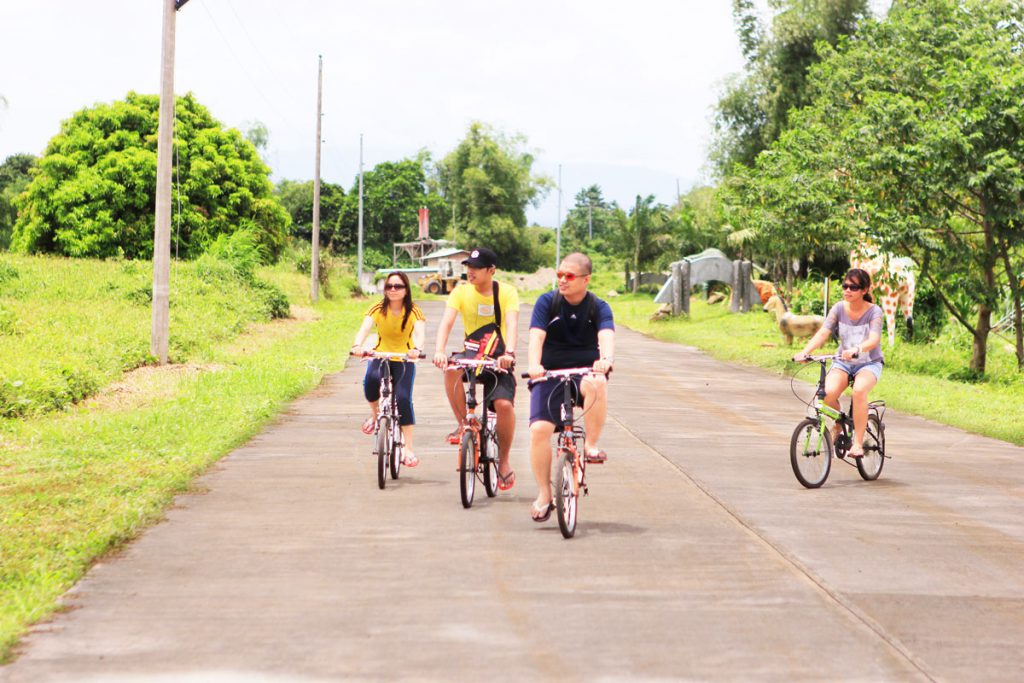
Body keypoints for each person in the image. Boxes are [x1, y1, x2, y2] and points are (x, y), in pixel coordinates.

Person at [526, 252, 615, 522]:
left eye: (570, 276)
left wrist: (606, 360)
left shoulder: (598, 307)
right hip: (549, 373)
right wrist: (534, 365)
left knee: (597, 382)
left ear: (586, 279)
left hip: (584, 372)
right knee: (539, 431)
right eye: (559, 275)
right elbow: (536, 338)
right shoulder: (547, 302)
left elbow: (607, 337)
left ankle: (590, 445)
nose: (563, 280)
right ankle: (544, 493)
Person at [432, 247, 519, 491]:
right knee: (450, 369)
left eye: (476, 268)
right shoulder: (460, 292)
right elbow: (446, 322)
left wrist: (509, 353)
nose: (470, 271)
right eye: (468, 266)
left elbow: (512, 324)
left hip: (498, 357)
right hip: (472, 353)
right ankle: (463, 424)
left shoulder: (506, 292)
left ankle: (504, 461)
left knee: (503, 405)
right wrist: (440, 351)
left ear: (491, 270)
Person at [794, 267, 884, 458]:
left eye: (853, 287)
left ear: (864, 290)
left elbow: (874, 339)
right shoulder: (838, 308)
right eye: (845, 286)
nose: (847, 290)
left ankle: (858, 443)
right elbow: (823, 333)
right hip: (843, 363)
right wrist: (805, 352)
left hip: (868, 363)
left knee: (859, 391)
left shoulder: (874, 311)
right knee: (826, 394)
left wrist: (857, 349)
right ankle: (839, 423)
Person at [351, 271, 426, 467]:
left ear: (406, 289)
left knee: (402, 399)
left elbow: (420, 332)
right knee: (370, 383)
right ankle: (376, 417)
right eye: (389, 286)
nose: (393, 290)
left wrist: (417, 349)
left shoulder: (413, 311)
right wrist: (357, 346)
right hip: (381, 355)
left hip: (404, 359)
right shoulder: (377, 308)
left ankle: (408, 448)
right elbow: (364, 329)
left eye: (398, 286)